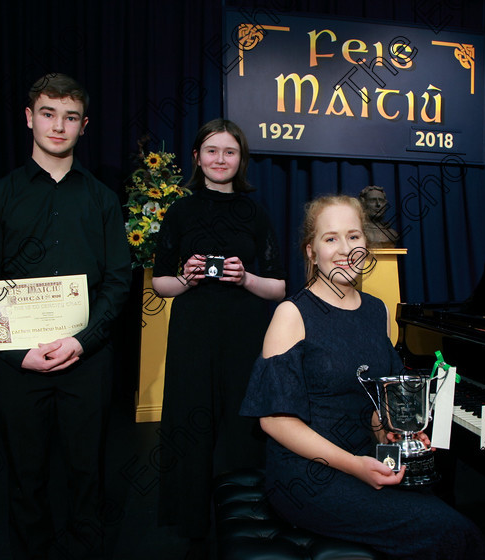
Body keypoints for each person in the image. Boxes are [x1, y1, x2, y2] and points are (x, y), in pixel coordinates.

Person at [240, 195, 485, 560]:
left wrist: (395, 430)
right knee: (452, 532)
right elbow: (275, 422)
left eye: (354, 236)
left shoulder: (377, 310)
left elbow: (375, 403)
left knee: (448, 517)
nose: (345, 250)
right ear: (311, 252)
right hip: (310, 475)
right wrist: (354, 465)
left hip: (369, 458)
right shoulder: (291, 314)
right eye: (331, 239)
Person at [0, 73, 131, 560]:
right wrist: (19, 354)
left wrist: (83, 340)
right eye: (49, 114)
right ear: (29, 117)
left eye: (71, 117)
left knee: (87, 472)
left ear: (84, 126)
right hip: (20, 362)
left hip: (88, 357)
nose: (59, 126)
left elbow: (119, 281)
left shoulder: (101, 200)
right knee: (26, 473)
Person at [151, 118, 286, 555]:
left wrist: (245, 277)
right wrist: (186, 278)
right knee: (191, 419)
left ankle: (246, 515)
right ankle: (191, 521)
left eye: (230, 152)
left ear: (240, 159)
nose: (220, 159)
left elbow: (280, 287)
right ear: (197, 157)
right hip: (192, 331)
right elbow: (159, 285)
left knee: (242, 424)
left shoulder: (256, 213)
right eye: (212, 150)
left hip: (245, 333)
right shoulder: (180, 211)